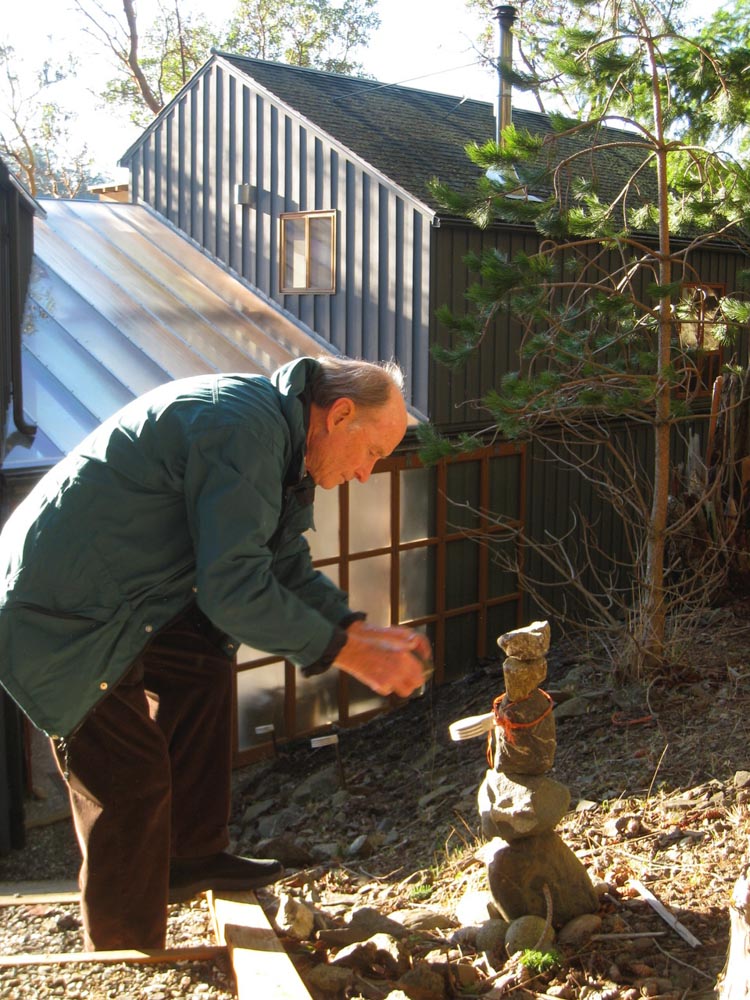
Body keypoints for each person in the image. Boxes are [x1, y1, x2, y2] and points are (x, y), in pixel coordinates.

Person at [0, 354, 432, 951]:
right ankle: (128, 953)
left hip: (123, 595)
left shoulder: (282, 442)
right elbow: (233, 589)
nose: (365, 475)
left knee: (203, 656)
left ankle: (190, 855)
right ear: (339, 415)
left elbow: (281, 564)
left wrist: (353, 628)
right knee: (131, 781)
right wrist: (346, 653)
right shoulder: (243, 428)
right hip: (62, 612)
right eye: (372, 455)